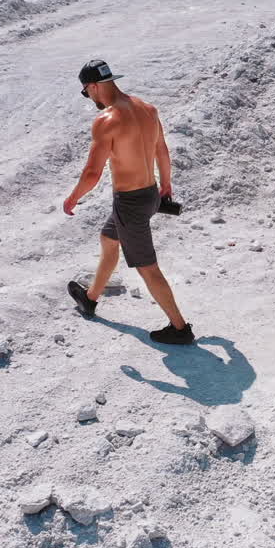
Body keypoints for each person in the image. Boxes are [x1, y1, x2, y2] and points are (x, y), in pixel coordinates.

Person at [63, 59, 194, 345]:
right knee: (109, 239)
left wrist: (73, 198)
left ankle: (180, 328)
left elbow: (92, 172)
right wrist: (166, 184)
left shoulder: (106, 121)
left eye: (87, 93)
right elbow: (162, 150)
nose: (90, 99)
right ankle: (90, 298)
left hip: (130, 204)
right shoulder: (147, 109)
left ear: (94, 87)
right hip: (149, 194)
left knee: (147, 267)